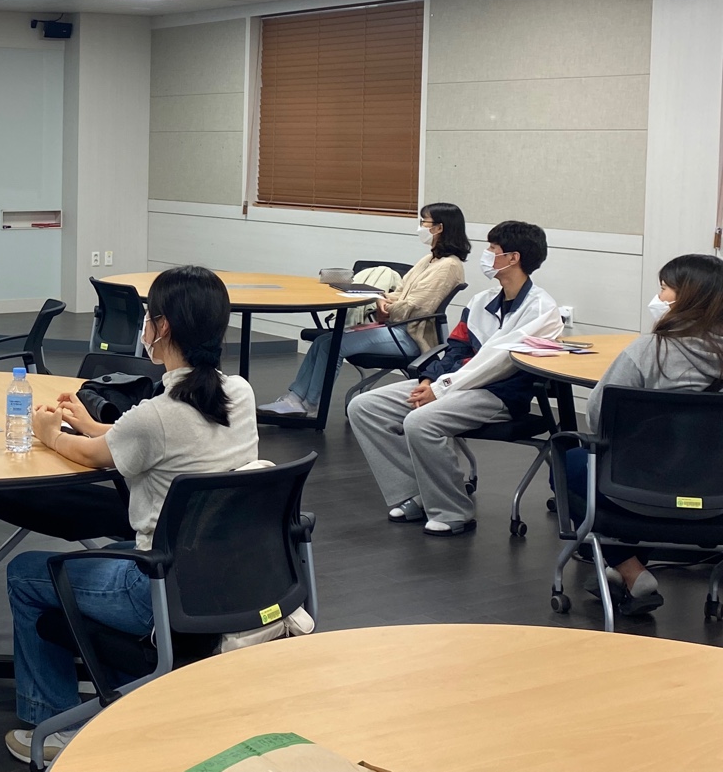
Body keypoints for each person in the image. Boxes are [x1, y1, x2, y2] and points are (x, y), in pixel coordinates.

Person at [2, 265, 259, 765]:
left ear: (162, 327)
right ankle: (131, 704)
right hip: (227, 573)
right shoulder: (239, 393)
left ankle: (52, 725)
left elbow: (94, 456)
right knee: (100, 558)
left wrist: (49, 432)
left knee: (26, 572)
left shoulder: (158, 416)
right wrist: (90, 423)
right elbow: (144, 438)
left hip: (158, 587)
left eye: (148, 316)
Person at [347, 221, 563, 536]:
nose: (486, 254)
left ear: (513, 258)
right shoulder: (481, 301)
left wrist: (440, 389)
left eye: (492, 248)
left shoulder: (541, 309)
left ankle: (453, 511)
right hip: (451, 385)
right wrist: (428, 380)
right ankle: (415, 493)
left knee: (421, 421)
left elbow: (496, 362)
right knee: (364, 407)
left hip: (498, 394)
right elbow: (456, 348)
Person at [564, 254, 723, 616]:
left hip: (637, 490)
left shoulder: (648, 351)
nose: (659, 297)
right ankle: (624, 570)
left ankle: (631, 570)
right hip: (716, 500)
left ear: (687, 297)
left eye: (665, 288)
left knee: (570, 461)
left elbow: (599, 416)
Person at [261, 202, 470, 416]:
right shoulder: (430, 259)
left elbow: (417, 307)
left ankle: (311, 404)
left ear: (439, 227)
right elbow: (400, 292)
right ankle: (295, 398)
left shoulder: (449, 266)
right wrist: (382, 301)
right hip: (395, 326)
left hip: (409, 336)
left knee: (332, 345)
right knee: (323, 341)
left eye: (424, 222)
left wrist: (387, 308)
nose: (420, 227)